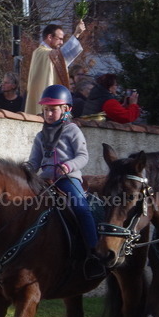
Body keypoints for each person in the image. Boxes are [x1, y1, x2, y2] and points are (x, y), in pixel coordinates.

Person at [27, 84, 105, 280]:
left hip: (67, 179)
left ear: (66, 110)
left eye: (53, 109)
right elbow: (34, 162)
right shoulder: (40, 135)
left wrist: (68, 166)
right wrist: (25, 170)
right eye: (46, 110)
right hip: (44, 181)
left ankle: (94, 254)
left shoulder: (72, 131)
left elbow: (83, 156)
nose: (49, 114)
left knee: (82, 208)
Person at [24, 21, 86, 116]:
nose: (61, 42)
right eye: (60, 39)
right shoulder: (44, 53)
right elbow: (62, 56)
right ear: (50, 37)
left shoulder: (42, 53)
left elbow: (61, 57)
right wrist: (76, 34)